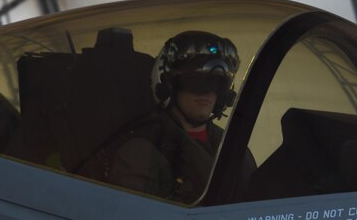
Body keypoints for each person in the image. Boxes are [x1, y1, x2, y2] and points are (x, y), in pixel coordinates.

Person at [78, 31, 256, 203]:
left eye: (217, 83)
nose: (207, 91)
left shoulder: (234, 146)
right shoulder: (143, 151)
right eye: (195, 81)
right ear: (168, 84)